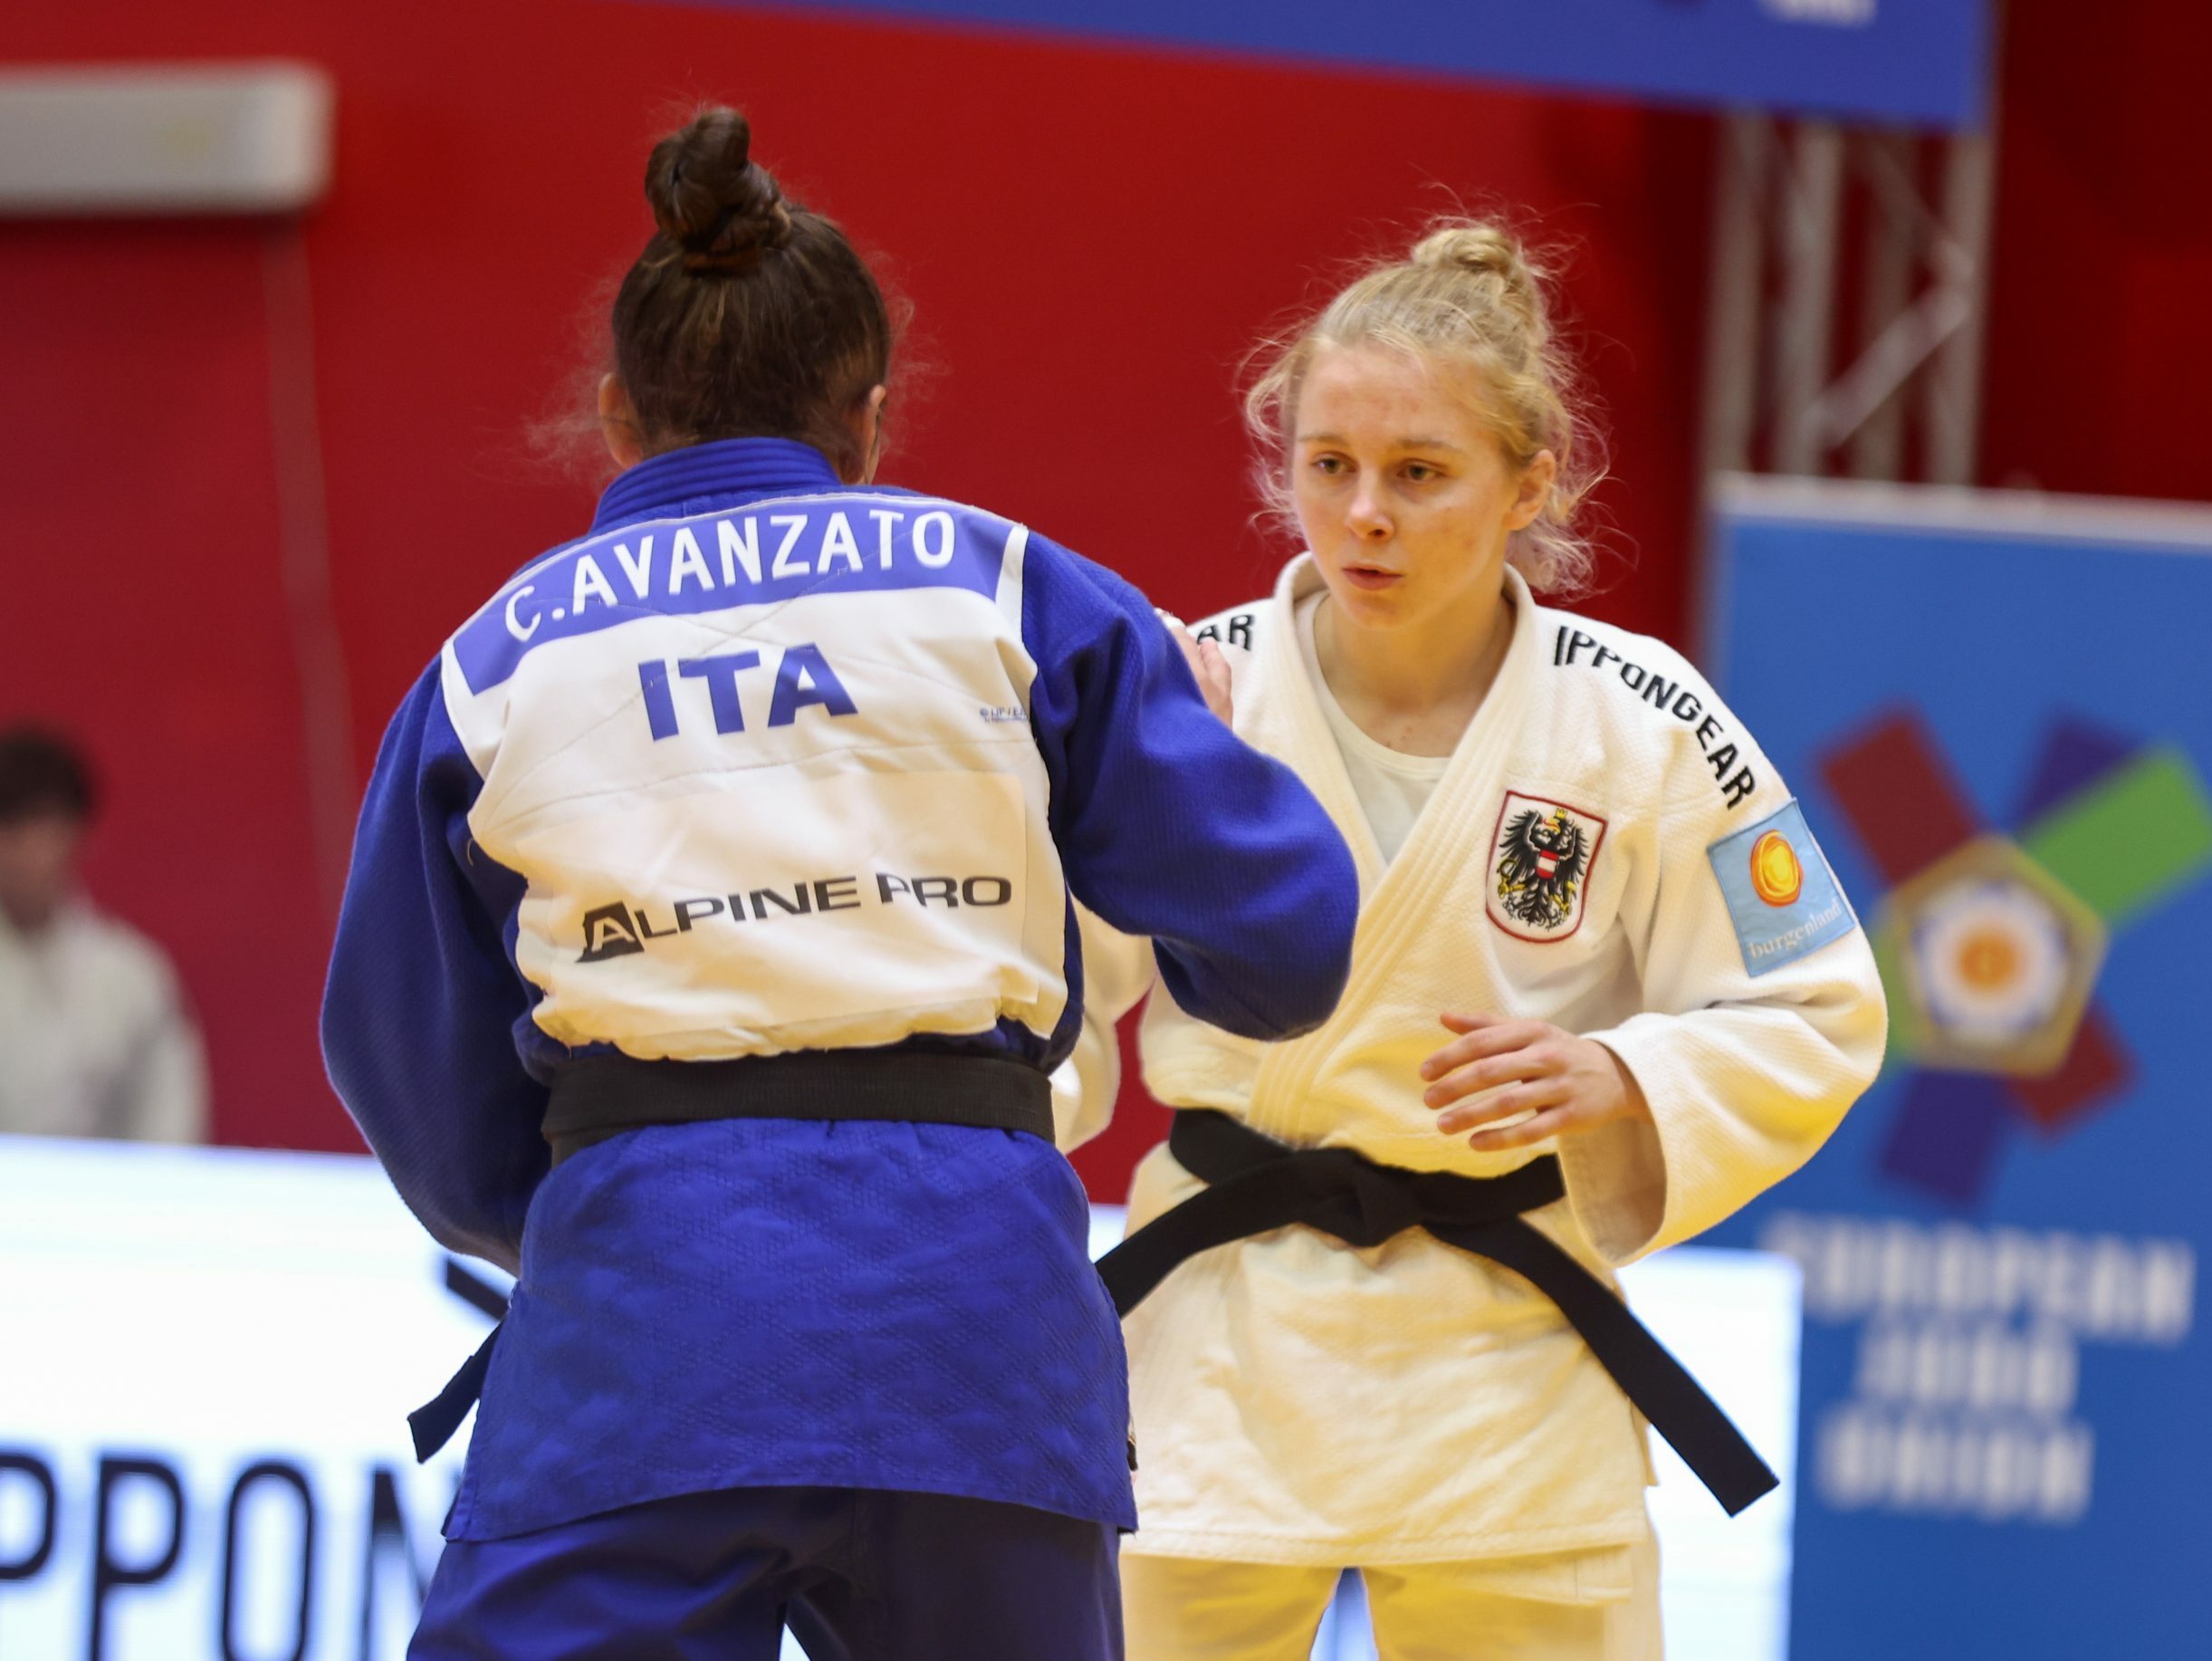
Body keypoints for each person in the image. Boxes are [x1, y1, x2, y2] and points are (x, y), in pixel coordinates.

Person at [320, 109, 1357, 1661]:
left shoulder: (496, 662)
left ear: (616, 415)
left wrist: (578, 1216)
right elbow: (1290, 933)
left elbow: (393, 1046)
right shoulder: (1012, 593)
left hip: (639, 1321)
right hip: (978, 1332)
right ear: (868, 417)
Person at [1073, 224, 1889, 1660]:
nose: (1365, 514)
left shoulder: (1643, 717)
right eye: (1328, 464)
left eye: (1420, 471)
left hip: (1510, 1357)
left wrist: (1624, 1076)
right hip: (1218, 1342)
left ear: (1532, 483)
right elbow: (1047, 1004)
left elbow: (1818, 1003)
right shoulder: (1195, 695)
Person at [0, 726, 208, 1144]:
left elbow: (168, 1128)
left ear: (78, 832)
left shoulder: (130, 973)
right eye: (8, 828)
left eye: (38, 826)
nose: (20, 851)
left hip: (104, 1204)